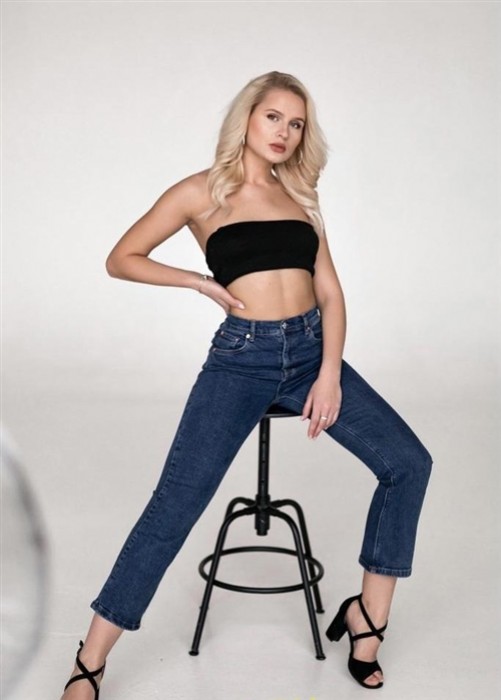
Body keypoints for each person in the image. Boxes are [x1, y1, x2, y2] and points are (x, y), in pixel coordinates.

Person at [60, 70, 433, 698]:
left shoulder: (301, 194)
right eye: (273, 117)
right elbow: (121, 258)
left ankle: (367, 620)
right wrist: (200, 283)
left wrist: (330, 374)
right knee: (174, 506)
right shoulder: (200, 191)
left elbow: (330, 292)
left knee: (408, 463)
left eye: (296, 124)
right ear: (248, 118)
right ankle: (90, 661)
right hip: (242, 359)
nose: (284, 132)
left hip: (313, 353)